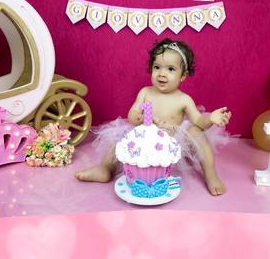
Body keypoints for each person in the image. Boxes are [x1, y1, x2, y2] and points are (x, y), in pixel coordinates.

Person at [75, 39, 232, 195]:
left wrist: (210, 118)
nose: (162, 73)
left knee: (197, 132)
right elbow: (132, 114)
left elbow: (198, 121)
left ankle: (211, 174)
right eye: (157, 67)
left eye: (170, 69)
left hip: (171, 141)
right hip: (144, 138)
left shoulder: (183, 99)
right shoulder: (145, 92)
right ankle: (105, 168)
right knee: (121, 138)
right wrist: (140, 118)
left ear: (183, 75)